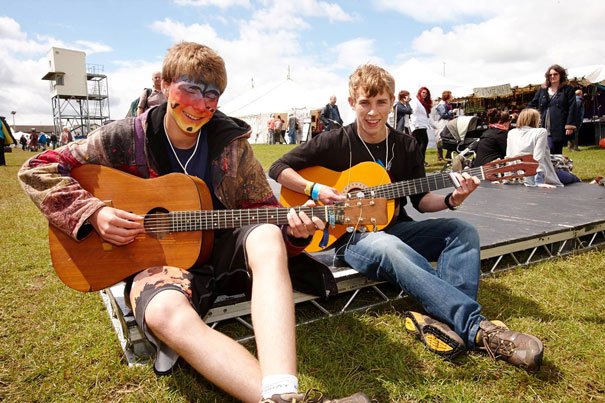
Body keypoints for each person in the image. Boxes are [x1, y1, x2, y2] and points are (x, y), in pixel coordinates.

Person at [18, 41, 368, 403]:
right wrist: (93, 211)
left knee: (266, 234)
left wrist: (294, 234)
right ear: (165, 85)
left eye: (212, 95)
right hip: (159, 263)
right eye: (190, 90)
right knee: (164, 314)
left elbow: (266, 209)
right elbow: (38, 167)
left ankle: (282, 391)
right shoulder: (125, 137)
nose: (201, 105)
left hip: (224, 252)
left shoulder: (231, 145)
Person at [269, 63, 545, 372]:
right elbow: (278, 168)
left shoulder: (406, 145)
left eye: (381, 103)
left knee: (463, 231)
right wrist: (316, 190)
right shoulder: (336, 141)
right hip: (352, 237)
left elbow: (422, 202)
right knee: (389, 247)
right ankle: (479, 329)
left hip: (397, 227)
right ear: (351, 103)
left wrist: (454, 198)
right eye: (364, 103)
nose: (373, 112)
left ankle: (444, 322)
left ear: (392, 102)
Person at [506, 108, 563, 188]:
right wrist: (538, 181)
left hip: (516, 173)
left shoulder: (511, 133)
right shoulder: (540, 132)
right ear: (535, 120)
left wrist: (508, 176)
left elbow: (509, 156)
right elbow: (538, 157)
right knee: (573, 178)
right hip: (535, 174)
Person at [528, 64, 577, 155]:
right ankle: (549, 168)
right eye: (550, 75)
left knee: (556, 151)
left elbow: (572, 107)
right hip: (543, 126)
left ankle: (556, 168)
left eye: (555, 74)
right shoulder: (543, 90)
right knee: (546, 150)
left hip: (558, 125)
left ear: (561, 75)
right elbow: (533, 103)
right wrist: (523, 113)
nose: (552, 76)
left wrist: (570, 125)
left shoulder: (568, 89)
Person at [409, 86, 435, 166]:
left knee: (420, 143)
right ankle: (420, 161)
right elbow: (412, 113)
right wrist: (414, 124)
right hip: (417, 125)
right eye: (423, 92)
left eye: (426, 93)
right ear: (420, 92)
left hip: (422, 124)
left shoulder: (423, 102)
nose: (425, 94)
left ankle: (418, 161)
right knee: (424, 142)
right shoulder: (415, 101)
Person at [434, 90, 455, 161]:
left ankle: (448, 155)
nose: (452, 97)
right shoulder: (442, 104)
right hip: (442, 123)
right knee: (440, 139)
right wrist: (451, 112)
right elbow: (443, 115)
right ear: (447, 96)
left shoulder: (447, 104)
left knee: (451, 138)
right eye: (451, 95)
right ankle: (440, 156)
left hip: (447, 122)